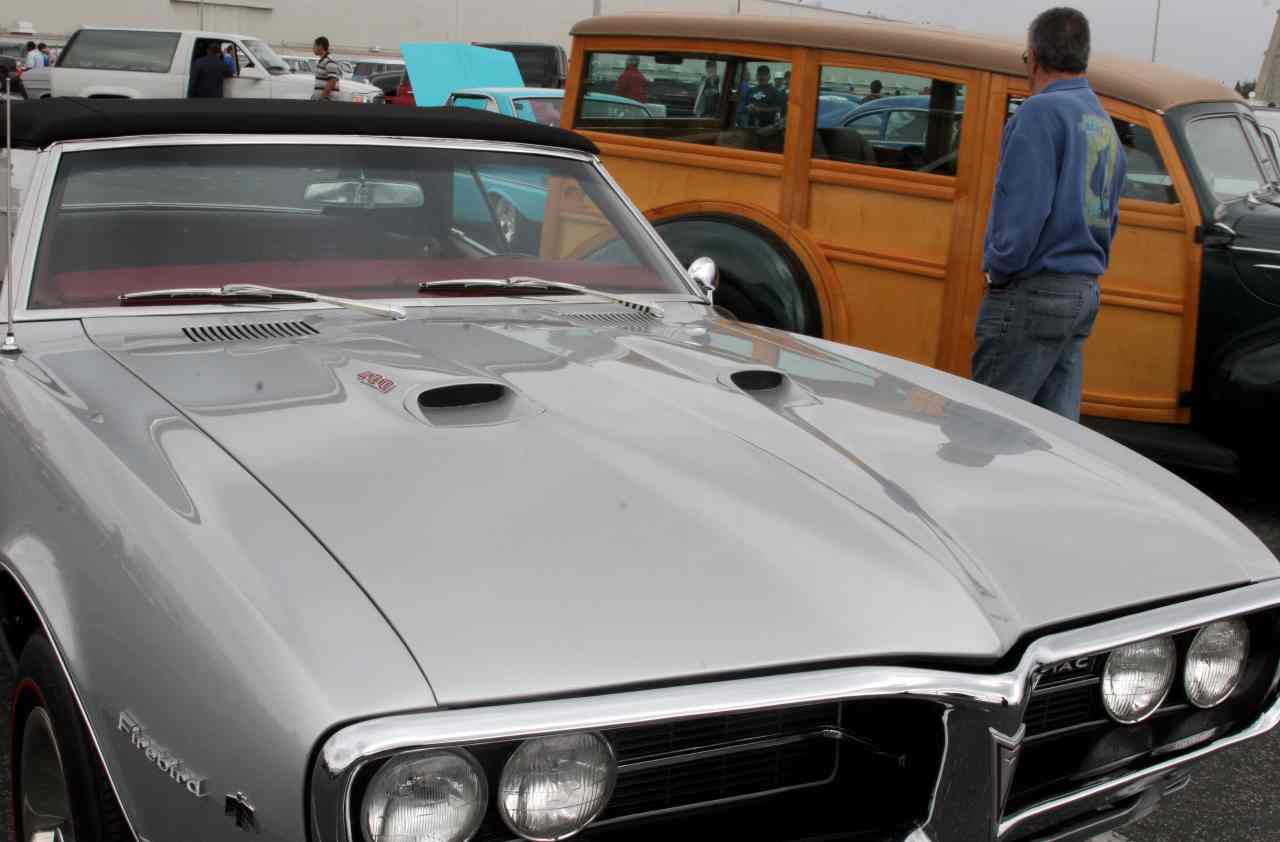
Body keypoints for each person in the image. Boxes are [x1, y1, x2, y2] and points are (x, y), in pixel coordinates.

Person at [973, 7, 1126, 421]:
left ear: (1036, 58)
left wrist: (997, 271)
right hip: (1082, 291)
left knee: (985, 431)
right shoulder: (1102, 122)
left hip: (1032, 292)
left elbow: (1023, 214)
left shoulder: (1038, 114)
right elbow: (1110, 216)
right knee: (1053, 443)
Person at [313, 36, 341, 101]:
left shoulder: (329, 61)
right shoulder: (322, 61)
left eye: (314, 46)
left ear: (320, 46)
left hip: (327, 101)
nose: (313, 48)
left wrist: (322, 97)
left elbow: (332, 81)